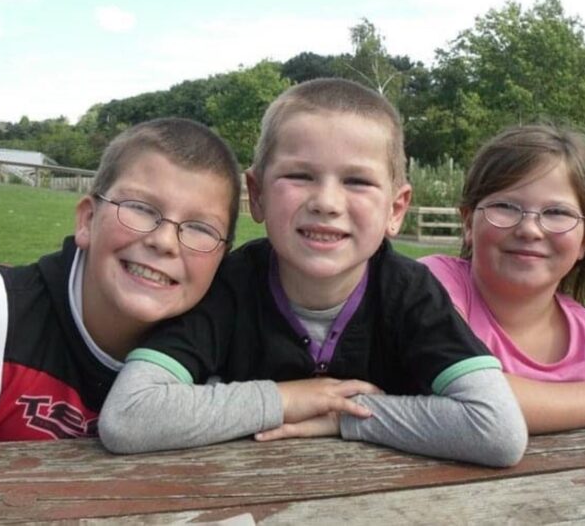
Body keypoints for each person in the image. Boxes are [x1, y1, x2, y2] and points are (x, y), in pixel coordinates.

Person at [98, 78, 527, 467]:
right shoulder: (229, 285)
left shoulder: (410, 293)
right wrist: (286, 399)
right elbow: (129, 416)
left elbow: (499, 431)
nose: (326, 201)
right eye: (300, 175)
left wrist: (347, 418)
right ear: (258, 194)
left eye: (357, 181)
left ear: (396, 209)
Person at [0, 118, 242, 445]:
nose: (165, 241)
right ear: (87, 220)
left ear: (222, 260)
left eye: (201, 228)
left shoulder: (229, 342)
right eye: (140, 208)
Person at [420, 124, 585, 433]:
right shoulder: (432, 285)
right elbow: (468, 394)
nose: (530, 229)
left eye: (557, 212)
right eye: (505, 206)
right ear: (468, 223)